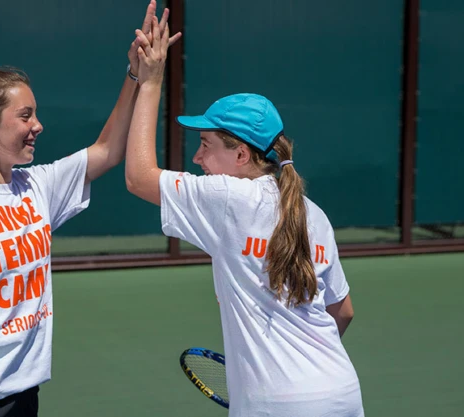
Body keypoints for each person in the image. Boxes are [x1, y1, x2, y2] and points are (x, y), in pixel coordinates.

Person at [0, 3, 181, 417]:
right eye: (25, 115)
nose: (37, 125)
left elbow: (108, 150)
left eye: (36, 114)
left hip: (24, 393)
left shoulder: (35, 186)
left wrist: (137, 74)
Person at [125, 18, 364, 417]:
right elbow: (343, 312)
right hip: (340, 393)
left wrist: (149, 81)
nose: (197, 158)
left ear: (241, 156)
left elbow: (138, 177)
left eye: (205, 145)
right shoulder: (313, 214)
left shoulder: (227, 198)